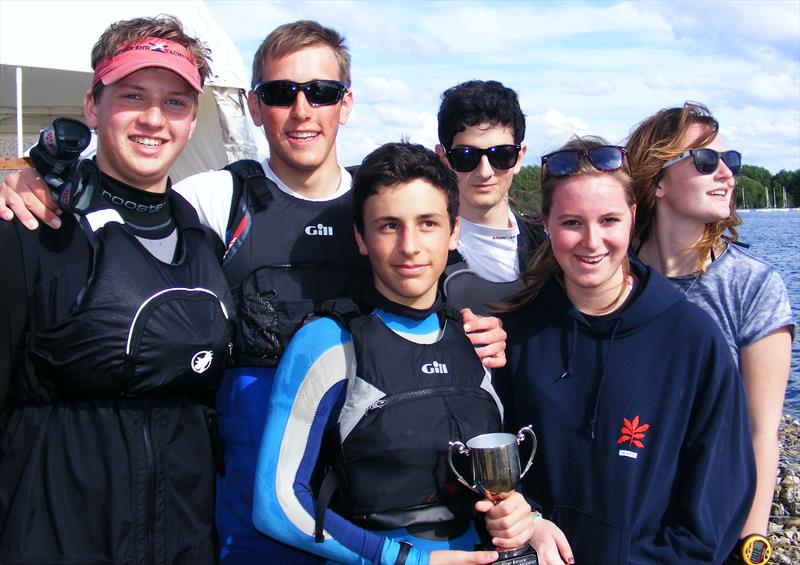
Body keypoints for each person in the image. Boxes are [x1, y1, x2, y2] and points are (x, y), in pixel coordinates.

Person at [0, 20, 508, 564]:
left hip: (369, 518)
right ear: (254, 105)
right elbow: (121, 204)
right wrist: (33, 181)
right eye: (280, 93)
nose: (302, 109)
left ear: (347, 103)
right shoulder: (216, 198)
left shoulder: (384, 202)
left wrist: (483, 330)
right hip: (248, 516)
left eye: (322, 92)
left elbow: (447, 290)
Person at [252, 141, 572, 565]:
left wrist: (523, 515)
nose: (410, 246)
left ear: (453, 231)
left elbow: (497, 485)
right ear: (360, 238)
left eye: (427, 224)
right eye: (388, 225)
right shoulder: (329, 343)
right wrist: (402, 559)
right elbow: (276, 507)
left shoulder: (477, 340)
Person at [0, 16, 234, 564]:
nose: (154, 119)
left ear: (192, 119)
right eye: (133, 95)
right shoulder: (32, 228)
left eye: (175, 102)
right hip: (52, 538)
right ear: (92, 106)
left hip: (182, 541)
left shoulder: (203, 243)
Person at [494, 136, 756, 564]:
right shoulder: (516, 332)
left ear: (633, 218)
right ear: (546, 222)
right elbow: (494, 461)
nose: (592, 241)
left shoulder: (691, 338)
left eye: (609, 220)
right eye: (572, 222)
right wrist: (530, 521)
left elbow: (717, 500)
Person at [625, 102, 795, 564]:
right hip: (623, 506)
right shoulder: (613, 277)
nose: (726, 173)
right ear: (656, 180)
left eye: (730, 161)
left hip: (709, 521)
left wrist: (752, 542)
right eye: (704, 161)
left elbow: (762, 430)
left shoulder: (752, 287)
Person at [435, 80, 545, 315]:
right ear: (443, 159)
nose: (485, 171)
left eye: (502, 155)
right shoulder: (427, 251)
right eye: (466, 156)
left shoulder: (549, 246)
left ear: (520, 158)